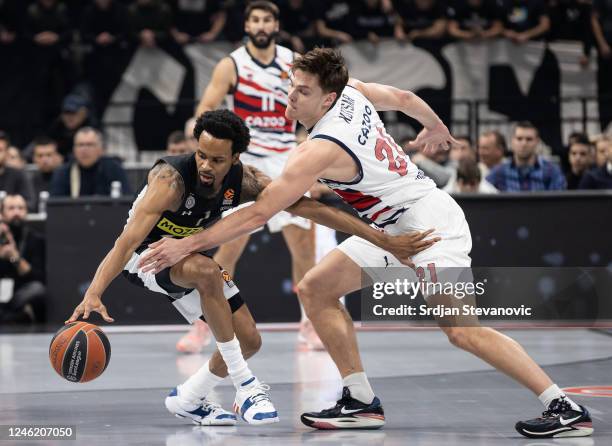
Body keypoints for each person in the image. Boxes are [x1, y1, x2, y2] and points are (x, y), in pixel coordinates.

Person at [140, 48, 594, 438]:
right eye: (291, 85)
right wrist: (434, 128)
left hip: (428, 226)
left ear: (328, 97)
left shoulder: (318, 150)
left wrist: (187, 243)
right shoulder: (351, 91)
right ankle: (360, 399)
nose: (290, 95)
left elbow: (259, 214)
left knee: (461, 329)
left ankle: (564, 408)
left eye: (301, 91)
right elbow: (405, 99)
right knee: (316, 289)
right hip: (392, 225)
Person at [66, 109, 439, 426]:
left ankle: (190, 399)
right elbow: (125, 242)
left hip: (186, 256)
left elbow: (310, 208)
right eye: (201, 155)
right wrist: (95, 291)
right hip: (145, 258)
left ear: (236, 157)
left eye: (217, 159)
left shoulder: (245, 181)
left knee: (250, 340)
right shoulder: (170, 181)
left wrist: (381, 237)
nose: (206, 166)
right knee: (207, 271)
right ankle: (245, 388)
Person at [185, 0, 320, 353]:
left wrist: (308, 146)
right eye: (255, 20)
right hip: (247, 161)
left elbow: (313, 109)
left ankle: (310, 324)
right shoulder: (231, 64)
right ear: (247, 26)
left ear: (276, 25)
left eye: (267, 20)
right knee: (228, 246)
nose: (261, 25)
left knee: (303, 245)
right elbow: (205, 111)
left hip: (287, 159)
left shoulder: (294, 62)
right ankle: (204, 325)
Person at [0, 194, 46, 323]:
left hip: (19, 294)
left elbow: (38, 278)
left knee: (37, 289)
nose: (16, 212)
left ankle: (6, 315)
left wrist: (14, 257)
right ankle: (14, 317)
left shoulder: (35, 239)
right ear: (2, 213)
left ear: (26, 212)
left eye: (20, 208)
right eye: (11, 208)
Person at [50, 127, 132, 197]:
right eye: (80, 145)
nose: (84, 150)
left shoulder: (114, 169)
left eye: (90, 145)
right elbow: (56, 205)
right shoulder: (63, 172)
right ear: (74, 149)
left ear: (101, 149)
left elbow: (127, 199)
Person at [486, 122, 567, 191]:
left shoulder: (552, 172)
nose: (524, 143)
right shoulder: (499, 172)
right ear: (512, 141)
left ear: (537, 142)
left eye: (529, 139)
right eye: (519, 138)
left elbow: (559, 204)